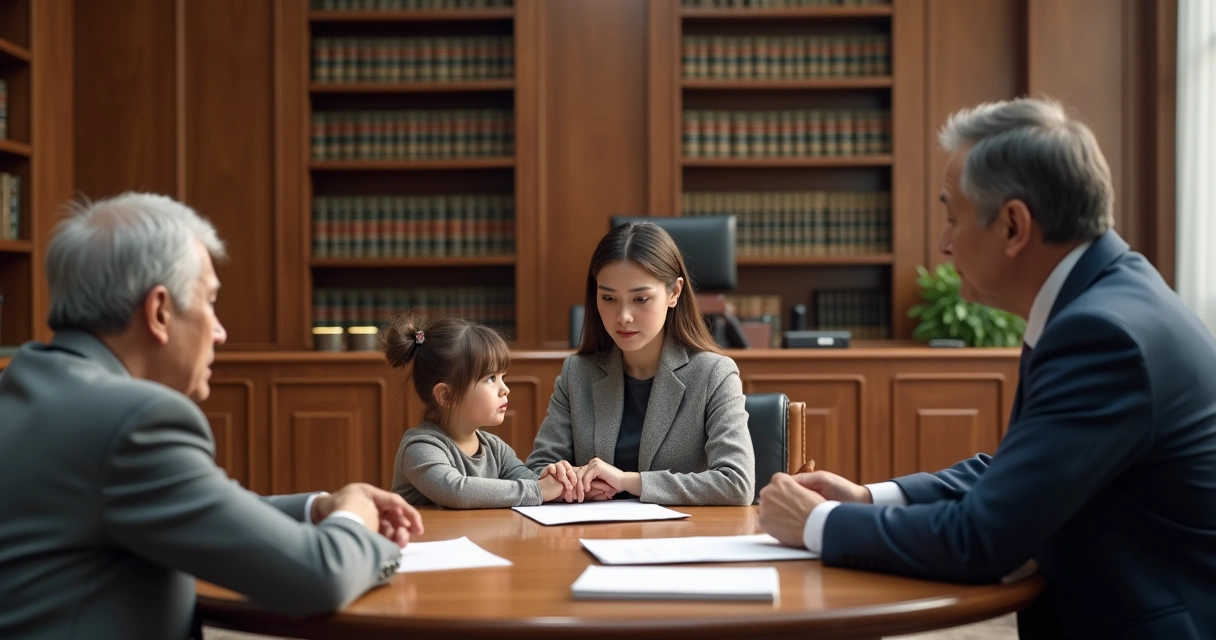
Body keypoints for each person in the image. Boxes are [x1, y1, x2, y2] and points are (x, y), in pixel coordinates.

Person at [758, 98, 1216, 639]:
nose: (943, 245)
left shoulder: (1102, 334)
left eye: (953, 217)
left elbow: (981, 539)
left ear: (1014, 226)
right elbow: (1026, 470)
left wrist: (816, 523)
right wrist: (872, 496)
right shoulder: (1106, 299)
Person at [0, 193, 424, 640]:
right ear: (160, 311)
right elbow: (317, 576)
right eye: (210, 302)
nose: (220, 332)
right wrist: (355, 517)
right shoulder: (132, 421)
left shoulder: (25, 381)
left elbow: (178, 506)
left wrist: (318, 508)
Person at [526, 221, 755, 505]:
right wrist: (562, 479)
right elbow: (536, 472)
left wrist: (626, 481)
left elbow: (736, 484)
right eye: (608, 297)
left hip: (678, 540)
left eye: (640, 299)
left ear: (674, 293)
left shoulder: (713, 374)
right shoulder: (578, 373)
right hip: (592, 536)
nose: (623, 316)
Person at [386, 313, 580, 507]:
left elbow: (530, 483)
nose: (505, 389)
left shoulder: (495, 448)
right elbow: (457, 491)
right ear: (446, 395)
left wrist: (557, 479)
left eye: (502, 376)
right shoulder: (419, 448)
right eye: (490, 379)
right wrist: (540, 489)